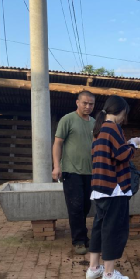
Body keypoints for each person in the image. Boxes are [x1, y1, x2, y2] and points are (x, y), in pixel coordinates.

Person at [85, 96, 140, 279]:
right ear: (121, 111)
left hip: (100, 188)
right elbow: (122, 155)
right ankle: (109, 275)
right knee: (114, 230)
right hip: (115, 189)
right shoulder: (113, 127)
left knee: (99, 228)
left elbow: (111, 153)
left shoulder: (99, 130)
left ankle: (94, 269)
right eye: (124, 113)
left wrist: (127, 144)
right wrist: (133, 143)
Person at [52, 91, 96, 255]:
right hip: (71, 171)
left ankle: (83, 236)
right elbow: (57, 144)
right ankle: (78, 241)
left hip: (90, 172)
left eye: (91, 104)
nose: (87, 106)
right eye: (84, 103)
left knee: (85, 206)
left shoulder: (94, 123)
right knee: (75, 206)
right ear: (77, 102)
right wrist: (57, 166)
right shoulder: (68, 119)